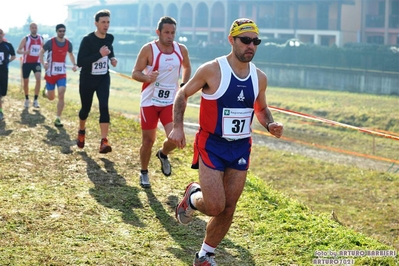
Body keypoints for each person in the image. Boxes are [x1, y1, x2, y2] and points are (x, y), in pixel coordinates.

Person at [168, 18, 284, 265]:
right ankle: (191, 198)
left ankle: (204, 255)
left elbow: (261, 108)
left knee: (229, 207)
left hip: (241, 147)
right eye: (245, 40)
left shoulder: (259, 77)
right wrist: (178, 127)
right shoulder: (212, 70)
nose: (250, 46)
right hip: (212, 145)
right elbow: (182, 93)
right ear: (231, 40)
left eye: (255, 41)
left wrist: (269, 124)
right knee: (214, 206)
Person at [131, 16, 191, 188]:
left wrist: (184, 85)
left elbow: (187, 67)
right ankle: (144, 172)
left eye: (172, 33)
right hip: (149, 102)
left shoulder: (181, 50)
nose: (170, 36)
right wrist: (147, 77)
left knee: (175, 138)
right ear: (158, 32)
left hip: (169, 103)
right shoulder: (148, 49)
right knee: (148, 141)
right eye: (166, 32)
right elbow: (135, 73)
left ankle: (163, 154)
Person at [76, 9, 118, 153]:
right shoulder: (88, 40)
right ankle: (81, 131)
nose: (106, 25)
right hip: (87, 78)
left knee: (104, 106)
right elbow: (80, 61)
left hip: (103, 77)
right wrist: (99, 54)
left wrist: (112, 58)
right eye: (103, 22)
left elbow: (109, 49)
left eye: (108, 22)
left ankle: (104, 142)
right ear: (96, 23)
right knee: (85, 109)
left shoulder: (110, 37)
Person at [39, 24, 78, 127]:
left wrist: (74, 64)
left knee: (61, 94)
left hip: (61, 74)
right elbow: (41, 52)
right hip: (50, 74)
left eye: (63, 31)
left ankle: (58, 118)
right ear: (57, 31)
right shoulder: (50, 42)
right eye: (60, 31)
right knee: (51, 97)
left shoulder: (68, 43)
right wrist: (44, 64)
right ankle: (46, 92)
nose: (62, 33)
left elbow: (71, 54)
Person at [17, 22, 44, 108]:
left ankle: (36, 100)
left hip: (36, 62)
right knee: (26, 82)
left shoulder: (41, 38)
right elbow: (18, 50)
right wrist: (26, 52)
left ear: (37, 28)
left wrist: (43, 59)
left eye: (35, 27)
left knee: (38, 79)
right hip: (26, 63)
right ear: (30, 29)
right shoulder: (26, 38)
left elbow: (43, 50)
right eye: (32, 27)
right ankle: (27, 99)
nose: (34, 29)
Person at [0, 28, 16, 120]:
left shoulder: (7, 45)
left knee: (2, 93)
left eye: (0, 33)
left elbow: (13, 56)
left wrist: (7, 62)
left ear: (3, 34)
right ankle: (0, 112)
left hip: (3, 71)